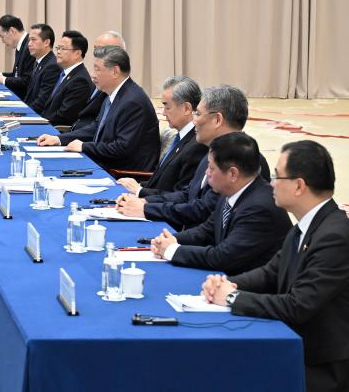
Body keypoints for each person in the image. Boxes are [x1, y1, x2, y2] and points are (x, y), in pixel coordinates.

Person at [201, 141, 349, 392]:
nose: (271, 184)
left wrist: (232, 298)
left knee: (227, 372)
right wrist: (227, 283)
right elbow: (270, 273)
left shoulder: (334, 236)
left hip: (321, 366)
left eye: (277, 177)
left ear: (299, 186)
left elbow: (298, 305)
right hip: (294, 343)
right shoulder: (305, 226)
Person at [117, 84, 269, 230]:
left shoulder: (244, 160)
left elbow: (202, 210)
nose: (194, 120)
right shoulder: (212, 151)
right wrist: (144, 201)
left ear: (217, 119)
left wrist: (146, 209)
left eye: (198, 113)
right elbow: (187, 195)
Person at [150, 132, 290, 274]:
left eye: (211, 168)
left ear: (232, 174)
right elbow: (206, 231)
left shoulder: (259, 208)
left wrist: (172, 250)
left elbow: (223, 257)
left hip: (245, 283)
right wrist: (167, 240)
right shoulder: (231, 191)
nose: (207, 172)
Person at [36, 46, 159, 172]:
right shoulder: (113, 95)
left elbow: (122, 148)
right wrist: (59, 139)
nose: (93, 75)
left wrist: (84, 146)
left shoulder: (133, 102)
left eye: (97, 69)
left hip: (120, 172)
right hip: (103, 162)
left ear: (115, 71)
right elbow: (96, 128)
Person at [116, 75, 207, 197]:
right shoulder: (181, 137)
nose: (163, 113)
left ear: (186, 108)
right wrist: (137, 185)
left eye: (167, 107)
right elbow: (161, 182)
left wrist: (139, 191)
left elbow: (181, 195)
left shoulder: (197, 145)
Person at [66, 30, 127, 131]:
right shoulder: (99, 78)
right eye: (95, 49)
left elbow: (99, 128)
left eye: (100, 49)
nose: (96, 54)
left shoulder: (117, 89)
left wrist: (63, 137)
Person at [40, 29, 94, 126]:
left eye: (63, 49)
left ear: (77, 54)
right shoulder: (65, 74)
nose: (58, 52)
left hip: (56, 130)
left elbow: (64, 116)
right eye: (58, 48)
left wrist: (39, 123)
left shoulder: (80, 81)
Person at [0, 14, 33, 94]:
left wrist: (3, 79)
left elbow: (26, 80)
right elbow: (16, 75)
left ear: (12, 31)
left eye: (2, 36)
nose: (2, 41)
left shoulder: (30, 46)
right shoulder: (21, 45)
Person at [21, 23, 60, 113]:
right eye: (29, 40)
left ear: (46, 42)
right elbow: (30, 95)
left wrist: (22, 113)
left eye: (33, 40)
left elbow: (42, 102)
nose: (29, 44)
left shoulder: (52, 66)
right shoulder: (38, 61)